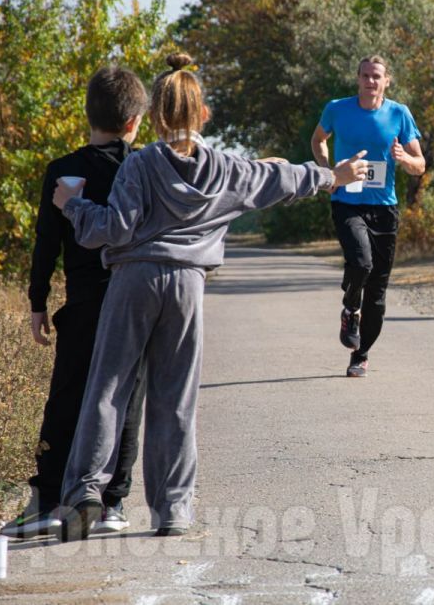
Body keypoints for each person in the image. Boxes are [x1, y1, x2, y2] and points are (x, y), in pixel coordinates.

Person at [53, 53, 368, 541]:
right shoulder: (227, 170)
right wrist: (335, 176)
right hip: (187, 288)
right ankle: (173, 511)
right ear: (204, 114)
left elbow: (109, 229)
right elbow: (280, 180)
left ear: (155, 115)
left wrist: (73, 206)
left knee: (108, 389)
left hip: (134, 280)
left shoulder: (138, 166)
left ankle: (84, 494)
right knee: (175, 398)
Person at [2, 66, 149, 539]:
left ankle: (46, 497)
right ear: (133, 122)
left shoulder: (62, 171)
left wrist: (38, 301)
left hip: (84, 304)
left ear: (88, 114)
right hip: (136, 300)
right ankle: (113, 502)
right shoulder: (144, 166)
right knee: (127, 399)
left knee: (67, 396)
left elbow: (47, 243)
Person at [310, 55, 425, 378]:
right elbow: (318, 139)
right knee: (361, 263)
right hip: (347, 201)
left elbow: (421, 165)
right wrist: (327, 171)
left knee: (377, 293)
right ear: (357, 79)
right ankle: (350, 307)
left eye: (376, 76)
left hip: (384, 208)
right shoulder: (337, 108)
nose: (370, 82)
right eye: (365, 76)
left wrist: (404, 158)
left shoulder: (399, 114)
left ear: (387, 81)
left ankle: (360, 354)